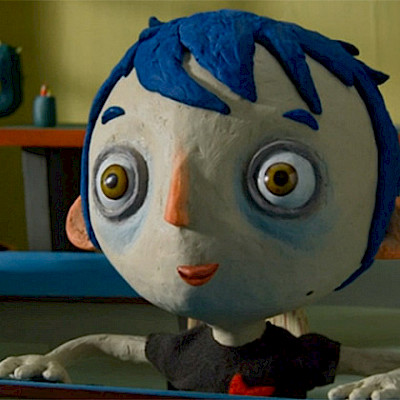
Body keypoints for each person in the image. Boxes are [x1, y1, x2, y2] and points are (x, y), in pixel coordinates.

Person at [1, 10, 400, 399]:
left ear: (388, 226)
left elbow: (377, 361)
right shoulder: (185, 352)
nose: (177, 215)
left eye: (283, 178)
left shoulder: (292, 355)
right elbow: (103, 344)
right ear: (83, 219)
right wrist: (52, 358)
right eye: (118, 180)